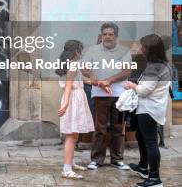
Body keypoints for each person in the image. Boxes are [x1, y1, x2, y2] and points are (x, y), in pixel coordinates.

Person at [81, 22, 132, 171]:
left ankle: (117, 159)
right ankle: (96, 159)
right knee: (100, 128)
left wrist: (109, 80)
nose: (107, 37)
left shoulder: (124, 51)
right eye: (105, 34)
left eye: (111, 34)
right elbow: (84, 68)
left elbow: (127, 72)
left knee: (117, 128)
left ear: (116, 36)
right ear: (101, 35)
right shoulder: (93, 50)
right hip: (99, 95)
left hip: (119, 95)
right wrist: (92, 75)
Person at [124, 34, 172, 187]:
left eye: (143, 46)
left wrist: (132, 86)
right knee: (140, 135)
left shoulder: (154, 67)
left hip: (149, 109)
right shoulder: (162, 64)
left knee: (151, 143)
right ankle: (143, 166)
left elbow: (145, 90)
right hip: (151, 107)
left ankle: (154, 178)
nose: (141, 49)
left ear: (151, 49)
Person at [57, 40, 95, 180]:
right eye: (81, 50)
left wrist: (101, 83)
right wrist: (66, 103)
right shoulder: (72, 65)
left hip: (75, 98)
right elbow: (68, 86)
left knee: (74, 133)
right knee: (72, 136)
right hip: (73, 99)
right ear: (76, 52)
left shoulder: (71, 64)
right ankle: (66, 169)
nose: (82, 53)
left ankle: (71, 163)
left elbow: (82, 80)